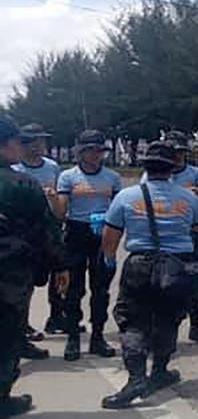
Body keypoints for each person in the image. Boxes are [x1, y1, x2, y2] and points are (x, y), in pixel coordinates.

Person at [100, 141, 198, 409]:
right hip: (176, 266)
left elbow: (110, 236)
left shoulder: (126, 197)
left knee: (133, 321)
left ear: (145, 166)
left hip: (139, 265)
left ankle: (136, 378)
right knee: (168, 319)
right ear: (172, 169)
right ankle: (160, 370)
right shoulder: (189, 197)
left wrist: (110, 262)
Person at [0, 115, 68, 419]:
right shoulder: (21, 183)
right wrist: (60, 266)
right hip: (10, 275)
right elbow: (46, 229)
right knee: (7, 337)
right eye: (17, 142)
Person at [57, 129, 122, 361]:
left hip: (102, 233)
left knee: (101, 288)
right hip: (76, 232)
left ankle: (98, 336)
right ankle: (73, 336)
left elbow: (118, 207)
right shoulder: (68, 176)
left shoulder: (112, 178)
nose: (96, 155)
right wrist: (55, 201)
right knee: (74, 289)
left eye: (99, 150)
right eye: (91, 150)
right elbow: (62, 211)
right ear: (81, 152)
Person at [159, 131, 198, 345]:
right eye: (173, 152)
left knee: (194, 280)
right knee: (162, 282)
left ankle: (195, 325)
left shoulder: (194, 173)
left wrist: (196, 191)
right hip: (165, 234)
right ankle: (165, 329)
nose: (176, 157)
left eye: (180, 152)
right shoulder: (156, 173)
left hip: (190, 233)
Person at [12, 123, 61, 359]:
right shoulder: (14, 168)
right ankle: (18, 333)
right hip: (18, 233)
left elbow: (60, 200)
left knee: (33, 283)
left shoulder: (52, 167)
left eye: (42, 141)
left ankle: (25, 327)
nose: (39, 145)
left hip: (44, 230)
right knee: (15, 285)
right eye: (34, 141)